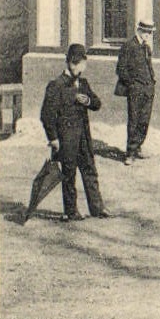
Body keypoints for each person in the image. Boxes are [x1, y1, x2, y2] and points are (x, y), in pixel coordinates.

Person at [39, 44, 109, 221]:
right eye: (80, 64)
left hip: (83, 137)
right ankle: (71, 211)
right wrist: (53, 139)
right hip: (66, 138)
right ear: (71, 63)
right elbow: (46, 115)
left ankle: (97, 208)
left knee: (90, 170)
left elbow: (97, 103)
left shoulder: (83, 83)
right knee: (68, 174)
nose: (82, 68)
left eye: (84, 64)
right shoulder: (56, 85)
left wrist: (88, 101)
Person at [115, 19, 156, 165]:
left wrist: (152, 82)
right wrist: (132, 85)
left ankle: (138, 146)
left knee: (144, 120)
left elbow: (148, 67)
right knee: (134, 120)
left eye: (150, 32)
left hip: (148, 89)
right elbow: (121, 69)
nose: (148, 35)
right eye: (146, 32)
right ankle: (130, 152)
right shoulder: (129, 46)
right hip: (136, 90)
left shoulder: (146, 47)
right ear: (139, 30)